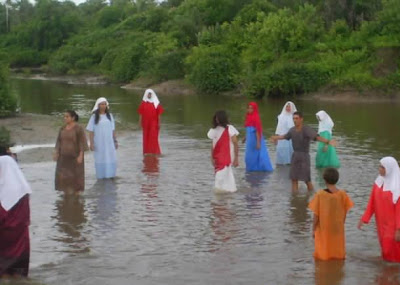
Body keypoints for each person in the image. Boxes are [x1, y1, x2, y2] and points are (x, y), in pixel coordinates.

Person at [271, 111, 336, 191]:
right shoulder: (292, 130)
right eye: (293, 118)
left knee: (307, 180)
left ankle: (313, 196)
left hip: (304, 156)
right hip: (295, 156)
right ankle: (294, 198)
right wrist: (276, 137)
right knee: (294, 179)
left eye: (296, 118)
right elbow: (285, 136)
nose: (295, 120)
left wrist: (328, 141)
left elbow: (316, 137)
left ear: (301, 119)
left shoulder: (306, 129)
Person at [358, 156, 400, 262]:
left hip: (393, 225)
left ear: (389, 169)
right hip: (381, 222)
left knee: (390, 248)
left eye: (382, 167)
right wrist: (364, 218)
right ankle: (387, 274)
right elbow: (371, 203)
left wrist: (398, 229)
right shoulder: (378, 183)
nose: (379, 169)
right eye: (380, 166)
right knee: (384, 248)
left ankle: (392, 271)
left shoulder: (397, 188)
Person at [308, 168, 353, 260]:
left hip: (324, 228)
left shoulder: (320, 195)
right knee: (337, 251)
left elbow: (316, 215)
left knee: (323, 253)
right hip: (337, 227)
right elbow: (345, 211)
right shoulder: (343, 194)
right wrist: (341, 224)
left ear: (324, 180)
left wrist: (313, 229)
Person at [0, 155, 31, 278]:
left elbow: (3, 215)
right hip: (21, 238)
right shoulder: (22, 189)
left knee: (5, 272)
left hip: (6, 241)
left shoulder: (6, 192)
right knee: (18, 271)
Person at [54, 110, 88, 193]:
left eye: (67, 117)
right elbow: (59, 141)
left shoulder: (78, 128)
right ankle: (66, 195)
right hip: (63, 158)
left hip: (75, 158)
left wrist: (81, 155)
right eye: (64, 116)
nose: (65, 118)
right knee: (63, 177)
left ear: (73, 118)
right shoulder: (62, 128)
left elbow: (82, 142)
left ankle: (76, 198)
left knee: (75, 178)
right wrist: (56, 152)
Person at [207, 110, 239, 193]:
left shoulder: (230, 129)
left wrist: (236, 158)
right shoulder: (214, 130)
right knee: (227, 176)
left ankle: (219, 197)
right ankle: (228, 194)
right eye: (216, 118)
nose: (217, 120)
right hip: (218, 157)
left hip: (226, 157)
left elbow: (235, 143)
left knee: (220, 178)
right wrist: (212, 157)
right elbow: (213, 145)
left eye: (218, 118)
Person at [86, 97, 118, 179]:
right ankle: (101, 176)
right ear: (98, 105)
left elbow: (113, 130)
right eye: (101, 104)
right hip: (99, 142)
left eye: (104, 104)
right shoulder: (94, 117)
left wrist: (115, 141)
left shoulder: (110, 116)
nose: (103, 106)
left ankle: (110, 175)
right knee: (100, 158)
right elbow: (91, 131)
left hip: (109, 142)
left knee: (110, 157)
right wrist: (91, 143)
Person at [243, 102, 273, 172]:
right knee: (249, 156)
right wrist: (245, 138)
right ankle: (250, 169)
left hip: (255, 139)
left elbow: (257, 131)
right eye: (249, 108)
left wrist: (258, 142)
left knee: (257, 154)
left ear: (255, 109)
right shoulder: (248, 117)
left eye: (251, 108)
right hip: (250, 141)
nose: (250, 110)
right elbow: (248, 130)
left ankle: (257, 169)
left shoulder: (256, 118)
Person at [138, 89, 164, 155]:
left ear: (152, 94)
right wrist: (140, 122)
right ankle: (147, 152)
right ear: (146, 94)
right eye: (148, 94)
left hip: (154, 123)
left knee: (153, 137)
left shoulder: (156, 103)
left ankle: (155, 152)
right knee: (146, 137)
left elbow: (159, 114)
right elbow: (141, 113)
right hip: (145, 123)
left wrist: (159, 123)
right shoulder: (143, 103)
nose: (149, 95)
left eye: (150, 94)